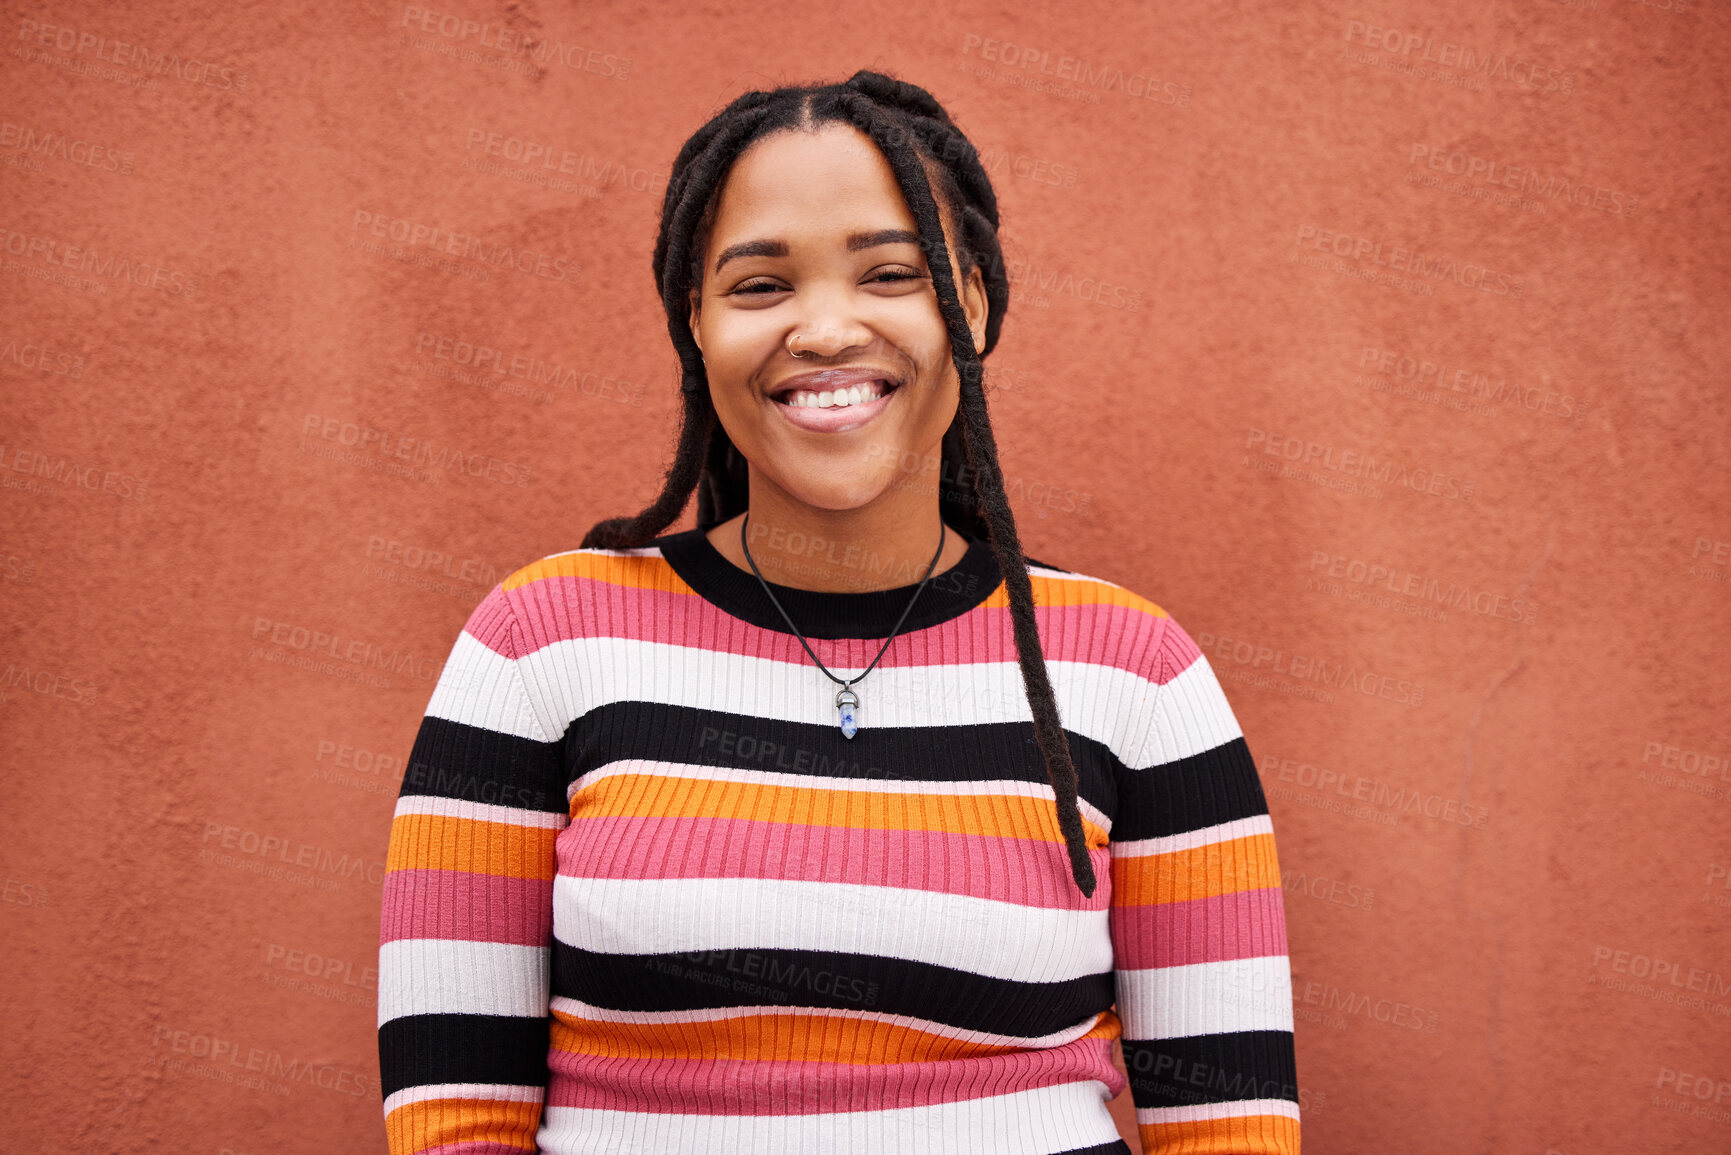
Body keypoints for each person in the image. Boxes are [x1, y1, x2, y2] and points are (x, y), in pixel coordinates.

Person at [377, 70, 1300, 1155]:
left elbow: (1230, 1130)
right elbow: (455, 1126)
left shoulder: (1136, 674)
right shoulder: (541, 646)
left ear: (976, 304)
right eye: (760, 286)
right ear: (696, 324)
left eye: (891, 273)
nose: (824, 329)